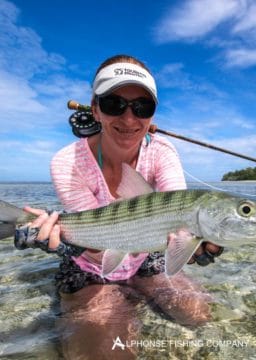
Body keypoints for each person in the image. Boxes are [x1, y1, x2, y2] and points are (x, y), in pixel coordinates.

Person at [18, 54, 223, 359]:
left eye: (142, 107)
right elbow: (100, 247)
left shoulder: (163, 152)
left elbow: (179, 212)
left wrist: (200, 240)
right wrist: (62, 242)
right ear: (96, 108)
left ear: (152, 115)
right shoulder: (66, 162)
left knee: (199, 314)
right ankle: (119, 299)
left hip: (145, 256)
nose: (129, 120)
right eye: (115, 104)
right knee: (104, 351)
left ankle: (137, 289)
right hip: (91, 263)